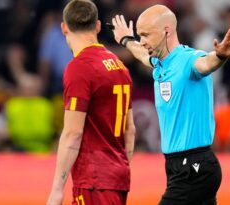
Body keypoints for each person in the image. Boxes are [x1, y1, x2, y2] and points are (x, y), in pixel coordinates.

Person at [111, 4, 230, 205]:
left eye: (146, 35)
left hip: (193, 167)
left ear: (166, 30)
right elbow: (141, 55)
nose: (142, 41)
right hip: (178, 166)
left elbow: (207, 63)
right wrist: (126, 40)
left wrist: (221, 56)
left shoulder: (189, 60)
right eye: (140, 35)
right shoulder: (161, 62)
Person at [46, 1, 135, 205]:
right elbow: (130, 130)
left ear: (64, 27)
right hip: (117, 178)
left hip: (93, 180)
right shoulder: (119, 66)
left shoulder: (79, 68)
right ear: (97, 26)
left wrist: (56, 190)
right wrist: (118, 169)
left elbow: (72, 133)